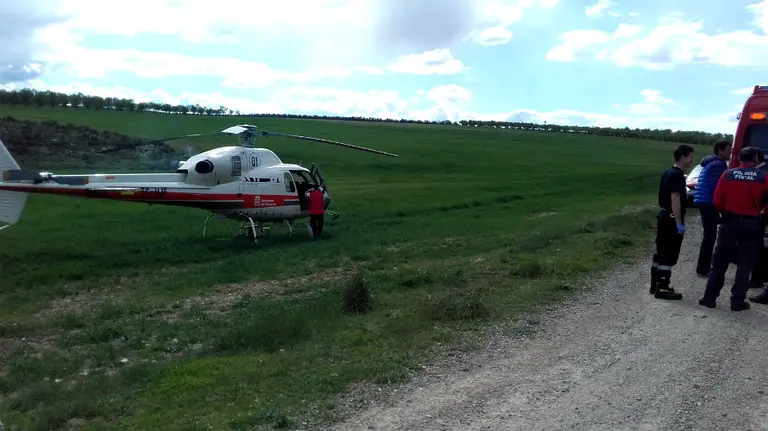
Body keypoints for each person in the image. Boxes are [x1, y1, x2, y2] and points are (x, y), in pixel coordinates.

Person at [699, 146, 768, 311]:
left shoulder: (728, 174)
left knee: (719, 262)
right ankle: (737, 302)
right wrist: (762, 212)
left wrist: (726, 212)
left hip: (729, 222)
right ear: (755, 159)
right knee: (745, 264)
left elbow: (717, 200)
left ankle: (709, 298)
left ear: (739, 158)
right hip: (752, 224)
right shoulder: (763, 177)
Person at [650, 144, 695, 300]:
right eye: (690, 157)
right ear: (682, 157)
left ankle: (655, 284)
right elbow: (675, 198)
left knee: (661, 250)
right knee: (669, 252)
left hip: (664, 216)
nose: (692, 161)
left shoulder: (669, 172)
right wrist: (678, 222)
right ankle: (662, 288)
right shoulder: (676, 175)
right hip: (671, 218)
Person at [693, 139, 732, 276]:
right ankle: (703, 268)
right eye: (728, 150)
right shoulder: (718, 165)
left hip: (704, 201)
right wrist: (722, 206)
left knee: (708, 235)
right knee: (709, 236)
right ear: (720, 151)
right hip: (708, 202)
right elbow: (716, 187)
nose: (730, 153)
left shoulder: (712, 162)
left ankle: (703, 267)